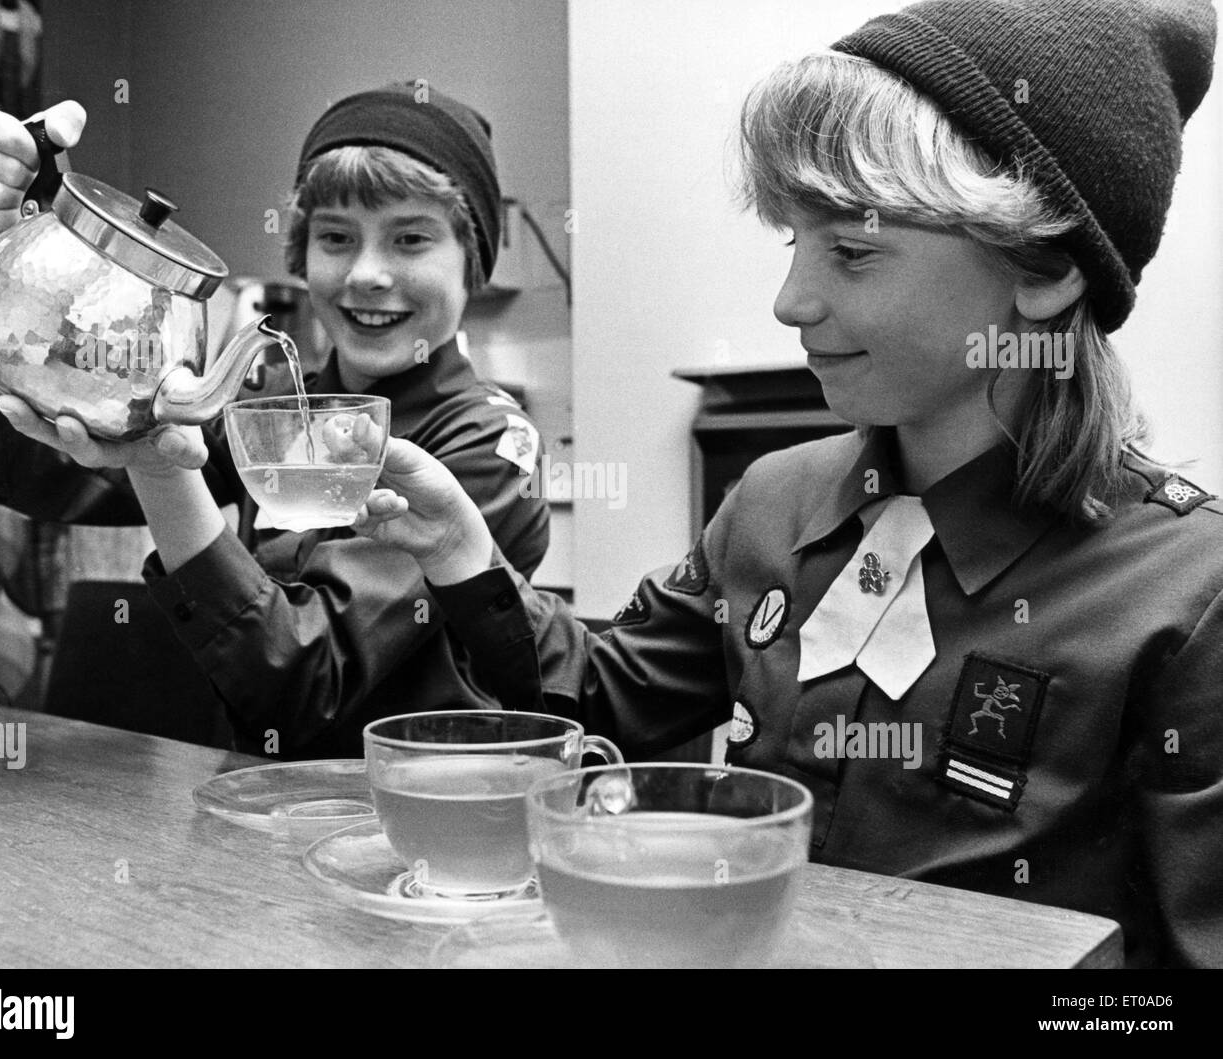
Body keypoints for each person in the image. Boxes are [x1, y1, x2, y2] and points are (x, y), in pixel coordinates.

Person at [349, 0, 1222, 968]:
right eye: (790, 242)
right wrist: (461, 551)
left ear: (1046, 271)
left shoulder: (1188, 592)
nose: (791, 301)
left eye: (851, 251)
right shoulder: (773, 498)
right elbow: (600, 704)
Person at [0, 82, 550, 757]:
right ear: (302, 255)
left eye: (411, 239)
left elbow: (306, 682)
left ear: (475, 265)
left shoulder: (492, 446)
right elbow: (32, 475)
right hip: (242, 819)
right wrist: (10, 244)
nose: (368, 273)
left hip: (420, 834)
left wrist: (161, 464)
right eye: (336, 237)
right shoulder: (272, 410)